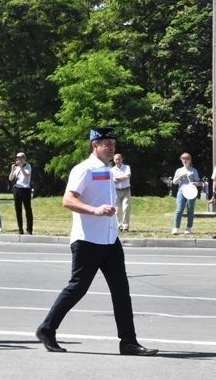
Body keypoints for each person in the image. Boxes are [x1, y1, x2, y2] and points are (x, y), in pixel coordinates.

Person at [35, 127, 158, 356]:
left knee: (121, 291)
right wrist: (95, 210)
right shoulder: (84, 169)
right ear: (94, 145)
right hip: (88, 240)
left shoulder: (108, 170)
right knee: (77, 288)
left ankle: (128, 342)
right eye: (106, 143)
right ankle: (46, 328)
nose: (111, 147)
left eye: (113, 143)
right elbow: (68, 200)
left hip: (110, 240)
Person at [172, 152, 200, 235]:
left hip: (191, 192)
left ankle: (189, 228)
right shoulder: (179, 170)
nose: (184, 161)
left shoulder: (193, 170)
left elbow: (199, 182)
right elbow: (174, 182)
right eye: (183, 159)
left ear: (190, 160)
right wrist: (180, 176)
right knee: (179, 210)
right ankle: (175, 228)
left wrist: (194, 183)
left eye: (186, 159)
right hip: (181, 191)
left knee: (190, 210)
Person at [9, 151, 33, 234]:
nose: (18, 159)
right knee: (18, 209)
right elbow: (11, 178)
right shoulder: (16, 168)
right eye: (17, 158)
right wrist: (12, 170)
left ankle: (29, 229)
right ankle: (20, 229)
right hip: (17, 189)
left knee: (28, 209)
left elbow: (26, 175)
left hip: (25, 189)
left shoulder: (28, 166)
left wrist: (21, 167)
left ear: (24, 158)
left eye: (20, 158)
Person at [111, 153, 132, 232]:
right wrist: (122, 178)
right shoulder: (112, 169)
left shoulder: (126, 167)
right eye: (116, 159)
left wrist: (117, 178)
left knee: (126, 208)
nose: (117, 161)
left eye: (119, 159)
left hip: (126, 190)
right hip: (116, 190)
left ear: (122, 159)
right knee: (117, 210)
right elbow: (111, 180)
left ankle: (125, 227)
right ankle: (119, 226)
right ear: (113, 160)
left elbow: (127, 176)